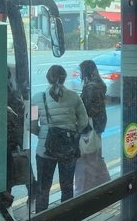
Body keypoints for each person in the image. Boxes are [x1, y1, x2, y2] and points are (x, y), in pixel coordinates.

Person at [33, 65, 88, 212]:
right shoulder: (74, 96)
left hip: (44, 151)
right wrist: (71, 132)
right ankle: (66, 218)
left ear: (47, 78)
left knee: (43, 188)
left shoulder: (36, 98)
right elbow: (84, 122)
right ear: (64, 77)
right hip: (69, 149)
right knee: (67, 186)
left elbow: (29, 125)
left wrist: (44, 135)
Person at [74, 60, 111, 197]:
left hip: (92, 123)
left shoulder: (90, 87)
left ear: (86, 71)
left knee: (89, 154)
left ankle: (93, 184)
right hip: (100, 121)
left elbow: (86, 108)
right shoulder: (100, 83)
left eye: (81, 71)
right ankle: (103, 181)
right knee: (96, 151)